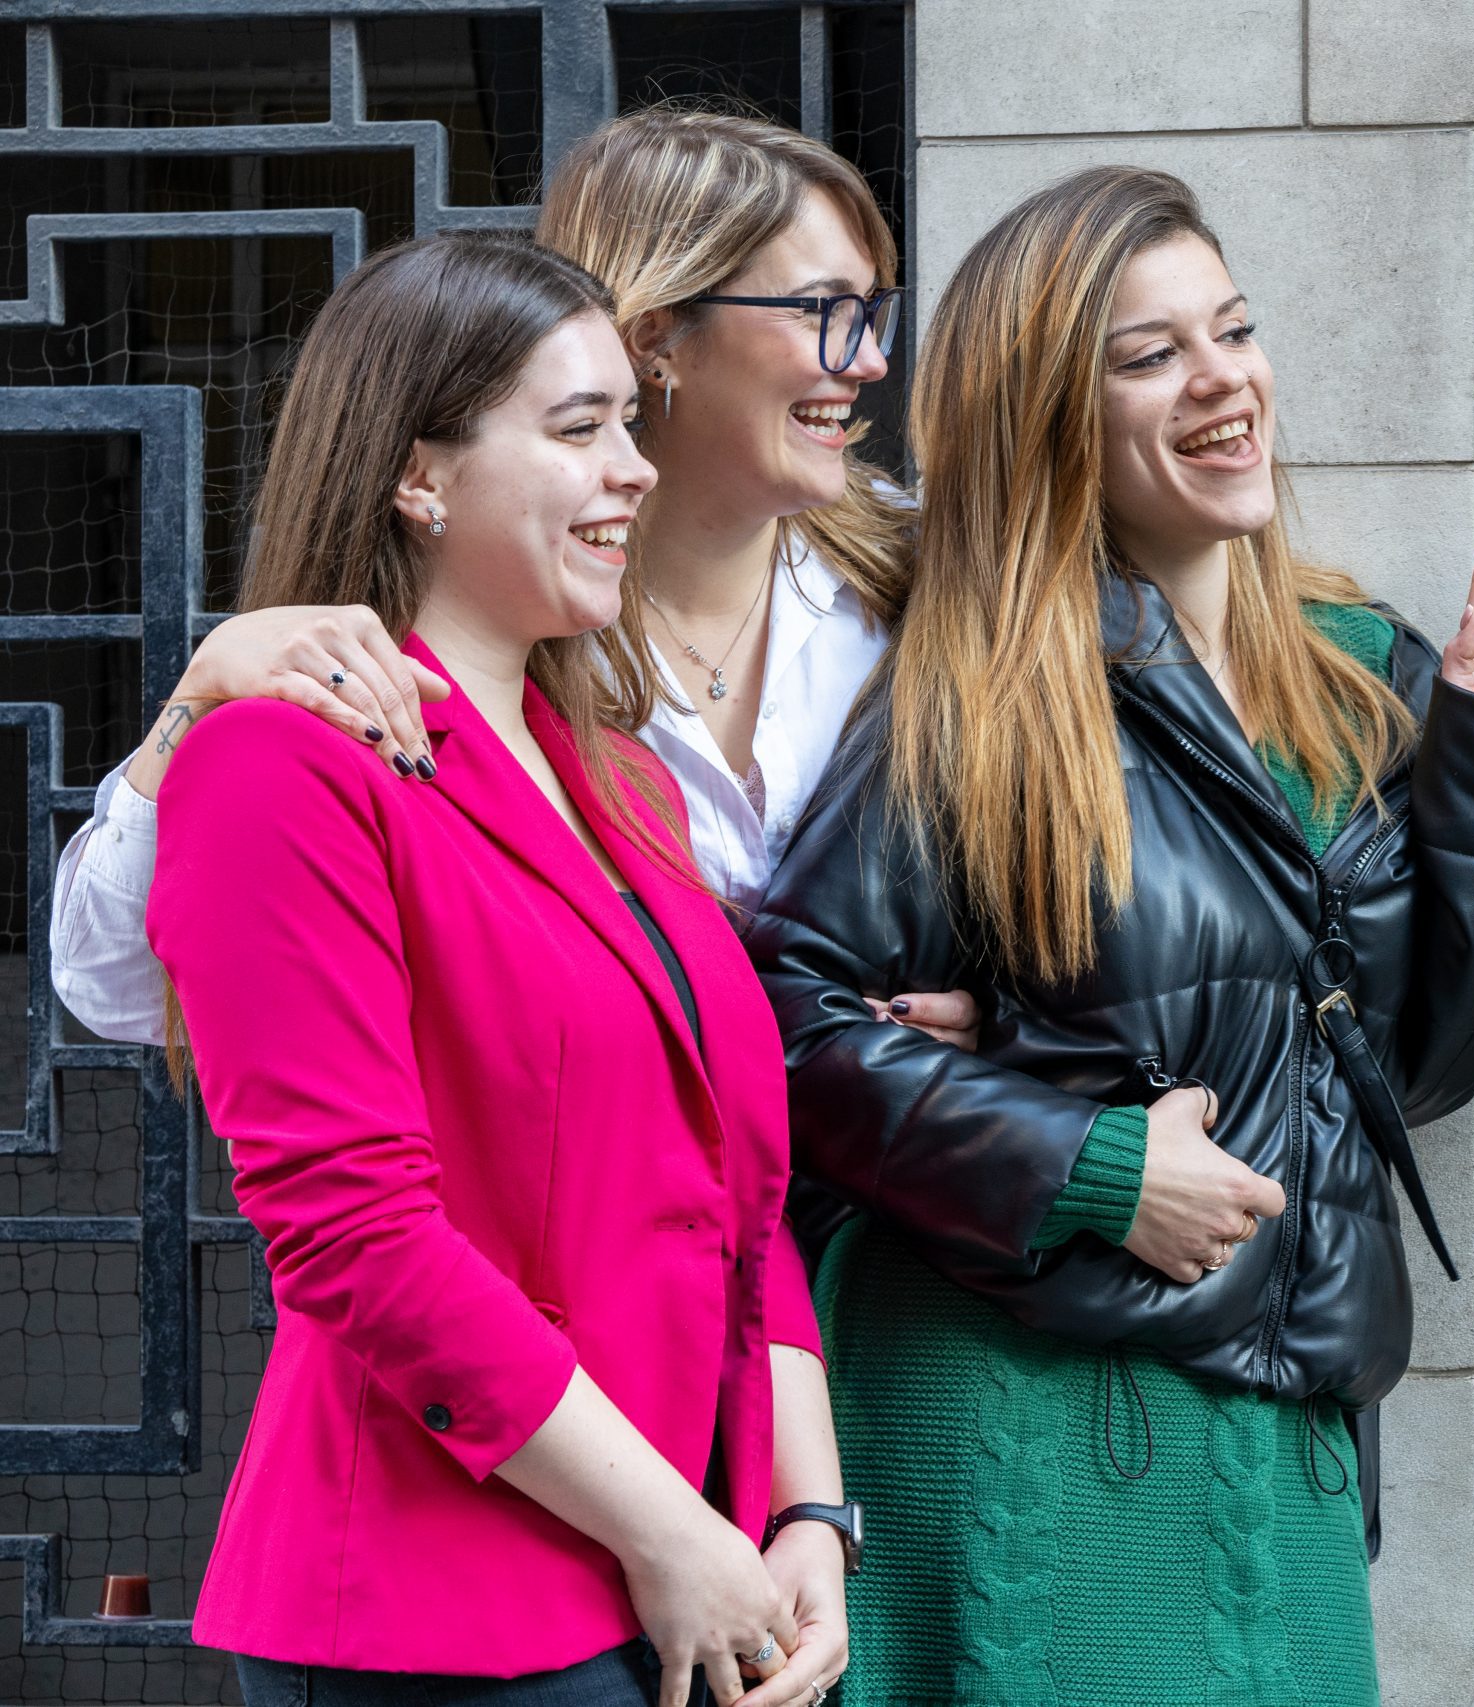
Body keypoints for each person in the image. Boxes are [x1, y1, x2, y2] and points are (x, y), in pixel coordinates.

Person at [748, 166, 1474, 1705]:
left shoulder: (1361, 671)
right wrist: (1092, 1156)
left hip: (1282, 1405)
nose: (1223, 381)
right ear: (1052, 416)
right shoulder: (980, 693)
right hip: (1032, 1401)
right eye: (1149, 355)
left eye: (1235, 330)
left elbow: (1422, 1060)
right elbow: (779, 1026)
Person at [147, 231, 849, 1707]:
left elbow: (747, 1201)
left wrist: (806, 1516)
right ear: (420, 474)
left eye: (631, 426)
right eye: (579, 428)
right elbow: (355, 1230)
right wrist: (672, 1528)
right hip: (448, 1613)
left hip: (697, 1577)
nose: (637, 470)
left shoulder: (621, 786)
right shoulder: (279, 764)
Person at [49, 104, 975, 1053]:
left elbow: (1060, 892)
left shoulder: (924, 575)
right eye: (826, 310)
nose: (870, 359)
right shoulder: (477, 614)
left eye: (873, 311)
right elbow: (119, 985)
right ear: (656, 336)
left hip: (890, 1177)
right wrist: (199, 703)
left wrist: (1003, 1024)